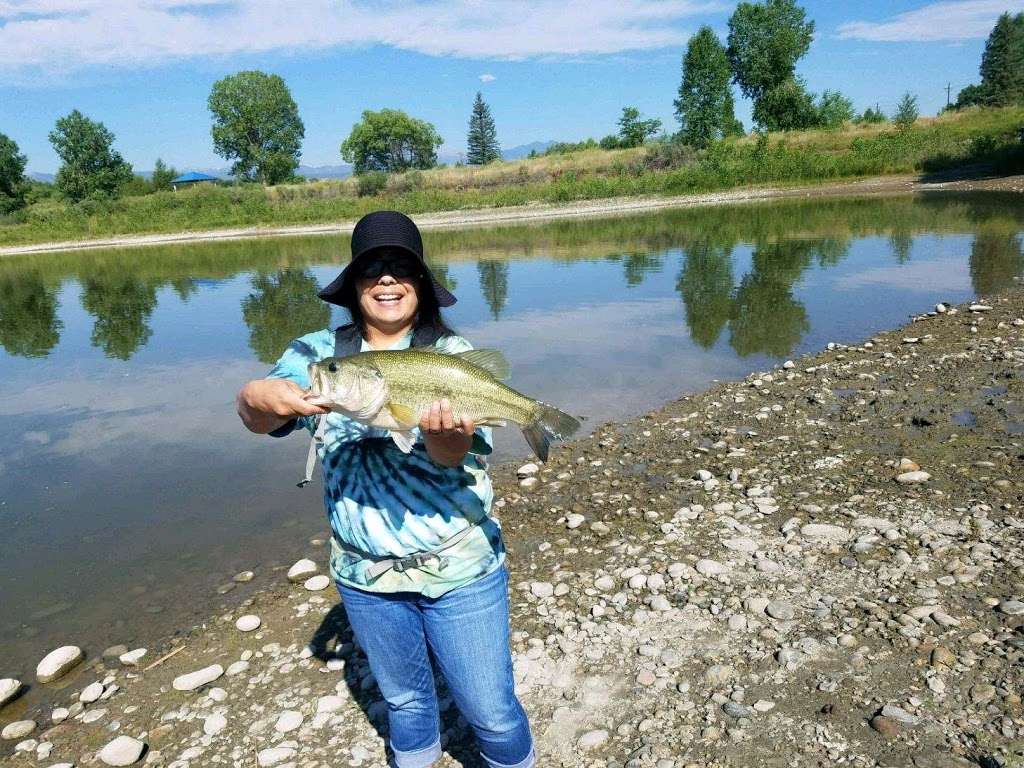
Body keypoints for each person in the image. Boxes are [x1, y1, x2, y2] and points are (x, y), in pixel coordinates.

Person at [235, 210, 535, 768]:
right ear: (353, 285)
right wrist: (257, 395)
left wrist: (445, 439)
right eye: (372, 269)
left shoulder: (452, 359)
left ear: (420, 283)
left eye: (402, 268)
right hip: (364, 576)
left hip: (459, 569)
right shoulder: (317, 357)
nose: (388, 280)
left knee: (490, 710)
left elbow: (454, 458)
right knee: (405, 703)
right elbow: (257, 416)